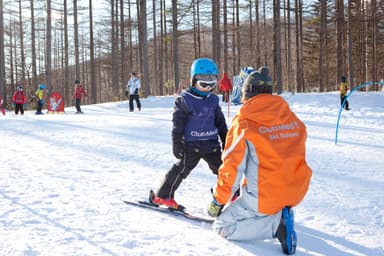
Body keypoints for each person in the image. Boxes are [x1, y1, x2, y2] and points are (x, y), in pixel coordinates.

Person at [207, 67, 312, 255]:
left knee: (222, 225)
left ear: (247, 92)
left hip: (265, 197)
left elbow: (232, 168)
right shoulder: (290, 117)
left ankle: (275, 226)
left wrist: (218, 201)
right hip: (296, 190)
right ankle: (278, 212)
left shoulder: (244, 122)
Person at [150, 58, 228, 209]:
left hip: (212, 145)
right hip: (192, 145)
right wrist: (176, 141)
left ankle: (233, 194)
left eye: (211, 80)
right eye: (203, 81)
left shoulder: (213, 100)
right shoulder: (185, 100)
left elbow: (220, 122)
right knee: (180, 170)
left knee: (225, 170)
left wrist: (226, 139)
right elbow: (177, 124)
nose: (208, 85)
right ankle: (163, 196)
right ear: (193, 80)